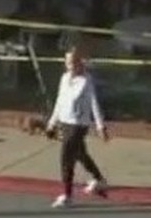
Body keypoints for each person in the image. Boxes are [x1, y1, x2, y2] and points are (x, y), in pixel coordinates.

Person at [44, 45, 110, 208]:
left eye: (74, 62)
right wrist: (51, 123)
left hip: (78, 125)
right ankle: (99, 179)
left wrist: (100, 126)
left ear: (80, 63)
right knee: (80, 153)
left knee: (66, 156)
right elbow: (59, 101)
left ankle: (67, 195)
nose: (71, 66)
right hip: (65, 122)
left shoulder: (86, 81)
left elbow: (94, 103)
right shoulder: (64, 78)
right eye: (68, 63)